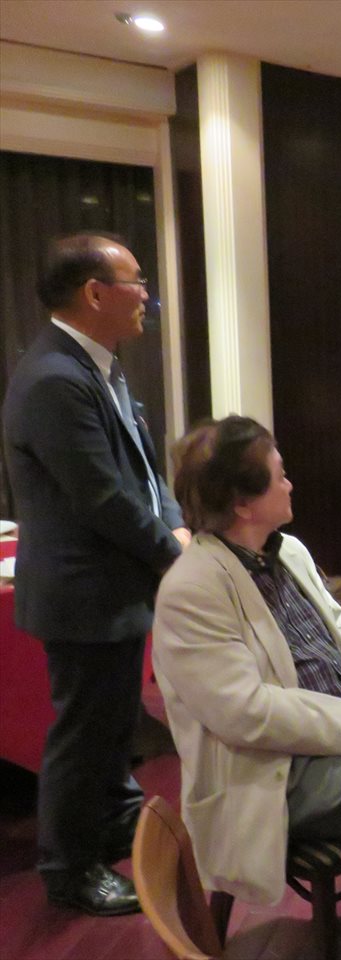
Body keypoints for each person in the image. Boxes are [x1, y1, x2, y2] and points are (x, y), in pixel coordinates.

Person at [151, 417, 341, 959]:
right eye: (280, 476)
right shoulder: (192, 588)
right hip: (276, 776)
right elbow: (246, 713)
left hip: (340, 747)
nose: (290, 484)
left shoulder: (287, 551)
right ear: (243, 504)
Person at [1, 233, 190, 916]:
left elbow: (144, 470)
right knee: (82, 737)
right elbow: (102, 497)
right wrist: (176, 555)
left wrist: (174, 522)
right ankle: (69, 869)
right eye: (137, 281)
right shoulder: (55, 378)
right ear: (94, 293)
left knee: (112, 730)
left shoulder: (97, 366)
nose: (146, 296)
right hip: (83, 595)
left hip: (113, 589)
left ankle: (110, 829)